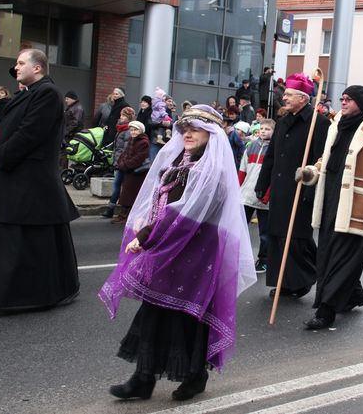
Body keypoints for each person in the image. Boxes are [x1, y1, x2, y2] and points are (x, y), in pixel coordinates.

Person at [99, 104, 256, 401]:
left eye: (196, 129)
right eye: (185, 129)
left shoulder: (212, 171)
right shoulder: (179, 164)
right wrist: (145, 222)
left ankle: (195, 376)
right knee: (154, 310)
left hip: (195, 252)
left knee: (187, 315)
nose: (188, 134)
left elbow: (184, 213)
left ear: (210, 134)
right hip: (170, 248)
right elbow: (160, 204)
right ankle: (143, 378)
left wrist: (146, 237)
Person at [0, 48, 80, 311]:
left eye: (20, 63)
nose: (16, 68)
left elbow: (30, 134)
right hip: (14, 177)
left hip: (30, 180)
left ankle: (21, 296)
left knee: (24, 241)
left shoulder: (48, 93)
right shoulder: (28, 94)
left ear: (37, 68)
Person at [296, 85, 363, 329]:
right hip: (330, 199)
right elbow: (326, 159)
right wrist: (311, 171)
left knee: (343, 258)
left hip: (357, 205)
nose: (344, 102)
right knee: (328, 256)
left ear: (361, 103)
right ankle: (353, 296)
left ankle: (325, 311)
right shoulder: (336, 124)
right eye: (343, 98)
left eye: (349, 99)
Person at [255, 73, 330, 298]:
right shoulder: (282, 121)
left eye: (288, 94)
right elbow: (271, 156)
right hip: (280, 189)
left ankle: (302, 280)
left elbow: (320, 161)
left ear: (302, 98)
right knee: (278, 236)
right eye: (285, 94)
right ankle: (284, 282)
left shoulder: (319, 123)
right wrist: (262, 183)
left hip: (300, 190)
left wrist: (309, 189)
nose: (284, 98)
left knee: (297, 238)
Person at [239, 118, 275, 274]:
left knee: (265, 233)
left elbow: (273, 174)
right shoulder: (251, 146)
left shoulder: (274, 149)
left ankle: (264, 260)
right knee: (239, 228)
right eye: (262, 129)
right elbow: (242, 169)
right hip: (246, 195)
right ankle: (237, 256)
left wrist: (268, 194)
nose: (263, 131)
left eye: (267, 129)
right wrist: (237, 189)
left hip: (264, 199)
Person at [112, 120, 150, 224]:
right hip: (129, 171)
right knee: (126, 194)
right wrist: (121, 163)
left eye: (135, 130)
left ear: (141, 130)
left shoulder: (143, 142)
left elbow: (139, 158)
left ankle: (126, 216)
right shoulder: (131, 139)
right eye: (131, 130)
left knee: (131, 195)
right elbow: (125, 154)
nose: (133, 132)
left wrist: (125, 165)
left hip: (137, 173)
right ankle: (123, 215)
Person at [102, 108, 136, 218]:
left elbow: (126, 149)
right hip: (118, 162)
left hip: (123, 163)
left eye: (124, 115)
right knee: (117, 185)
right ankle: (112, 209)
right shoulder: (121, 128)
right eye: (121, 115)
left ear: (129, 117)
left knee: (121, 186)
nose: (121, 117)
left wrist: (122, 162)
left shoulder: (128, 130)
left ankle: (114, 210)